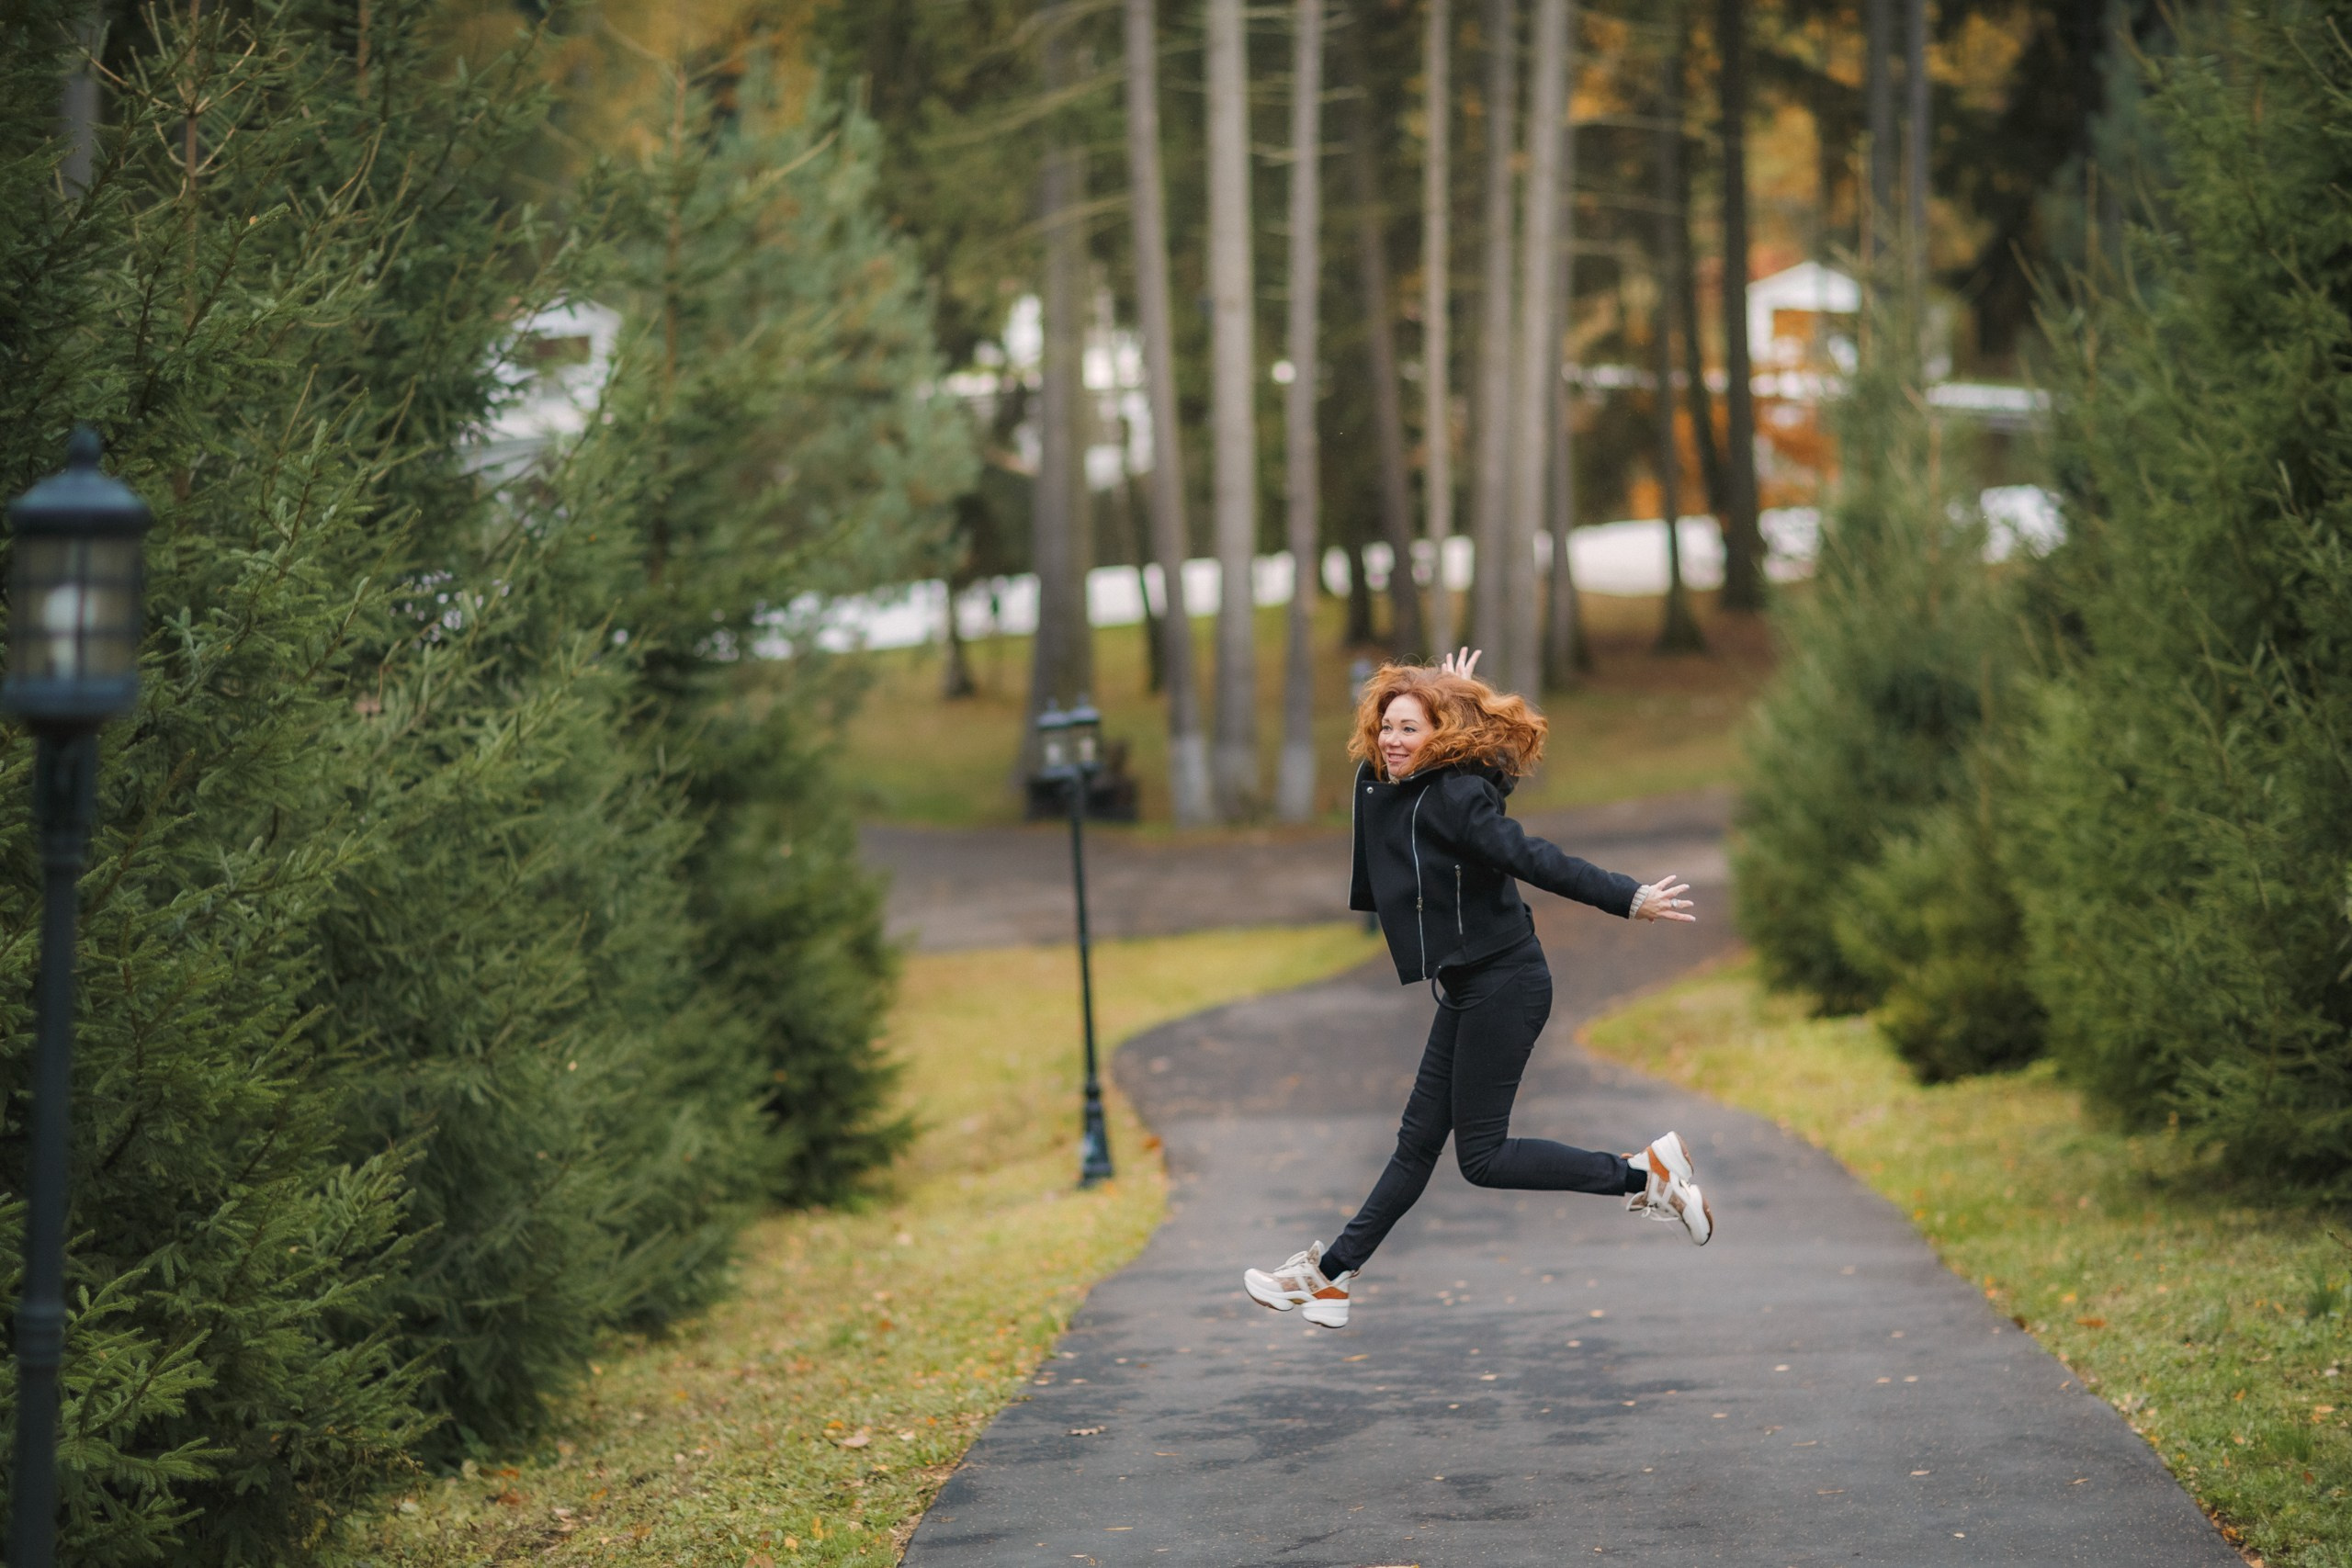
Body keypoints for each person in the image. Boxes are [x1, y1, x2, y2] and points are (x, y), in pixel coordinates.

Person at [1243, 649, 1711, 1330]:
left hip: (1508, 983)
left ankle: (1647, 1178)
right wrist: (1452, 692)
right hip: (1471, 985)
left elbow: (1536, 858)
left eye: (1410, 729)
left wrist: (1628, 897)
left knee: (1482, 1158)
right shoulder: (1398, 782)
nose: (1392, 741)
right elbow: (1446, 769)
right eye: (1386, 726)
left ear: (1440, 739)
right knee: (1414, 1147)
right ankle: (1327, 1278)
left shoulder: (1458, 800)